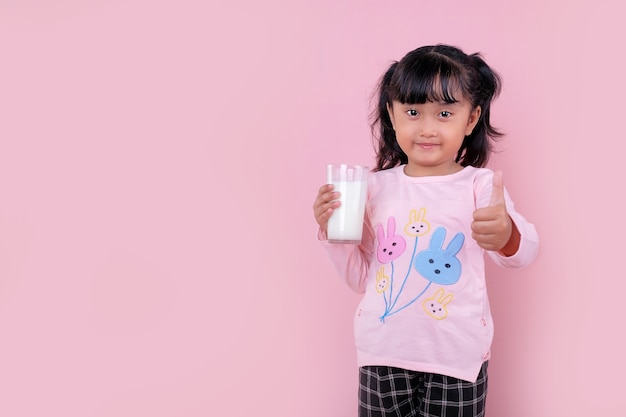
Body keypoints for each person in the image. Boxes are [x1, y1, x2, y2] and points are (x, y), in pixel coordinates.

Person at [312, 44, 539, 417]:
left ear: (470, 120)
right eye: (413, 112)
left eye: (445, 113)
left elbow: (524, 253)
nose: (427, 128)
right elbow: (360, 279)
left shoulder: (480, 186)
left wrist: (506, 236)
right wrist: (331, 231)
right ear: (392, 114)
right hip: (381, 353)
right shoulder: (374, 188)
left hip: (455, 358)